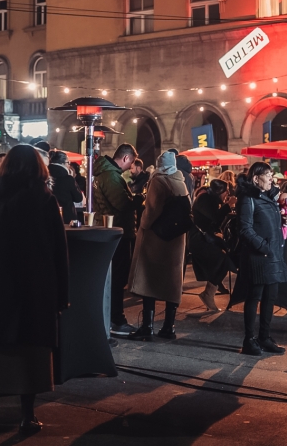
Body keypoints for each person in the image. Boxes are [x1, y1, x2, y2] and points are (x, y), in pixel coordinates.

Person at [0, 145, 69, 435]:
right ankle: (27, 415)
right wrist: (62, 293)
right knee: (32, 347)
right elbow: (59, 250)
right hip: (36, 282)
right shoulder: (47, 199)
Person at [127, 151, 189, 340]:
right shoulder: (181, 180)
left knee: (148, 279)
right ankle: (168, 327)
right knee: (172, 281)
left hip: (156, 238)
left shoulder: (158, 180)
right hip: (176, 239)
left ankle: (147, 327)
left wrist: (143, 226)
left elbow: (152, 210)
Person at [235, 162, 287, 356]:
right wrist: (263, 247)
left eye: (271, 175)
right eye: (268, 175)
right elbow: (245, 229)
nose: (272, 179)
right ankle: (249, 340)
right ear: (256, 178)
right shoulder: (247, 198)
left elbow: (275, 224)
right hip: (258, 257)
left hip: (273, 254)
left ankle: (264, 337)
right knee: (254, 297)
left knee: (270, 297)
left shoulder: (270, 198)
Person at [92, 143, 142, 336]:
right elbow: (121, 204)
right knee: (117, 279)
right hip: (116, 232)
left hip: (111, 231)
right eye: (130, 163)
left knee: (113, 278)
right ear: (126, 158)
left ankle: (112, 318)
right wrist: (137, 200)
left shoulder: (104, 173)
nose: (130, 168)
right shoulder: (111, 176)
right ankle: (117, 320)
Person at [190, 178, 233, 311]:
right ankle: (209, 293)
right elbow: (215, 217)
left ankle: (211, 290)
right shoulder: (204, 199)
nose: (227, 194)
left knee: (226, 258)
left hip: (205, 239)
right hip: (199, 240)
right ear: (220, 191)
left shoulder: (210, 199)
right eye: (226, 191)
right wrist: (228, 206)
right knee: (223, 259)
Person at [49, 150, 82, 226]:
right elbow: (78, 198)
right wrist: (73, 179)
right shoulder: (67, 179)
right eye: (68, 162)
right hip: (67, 217)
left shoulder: (45, 176)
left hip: (48, 215)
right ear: (63, 163)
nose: (69, 165)